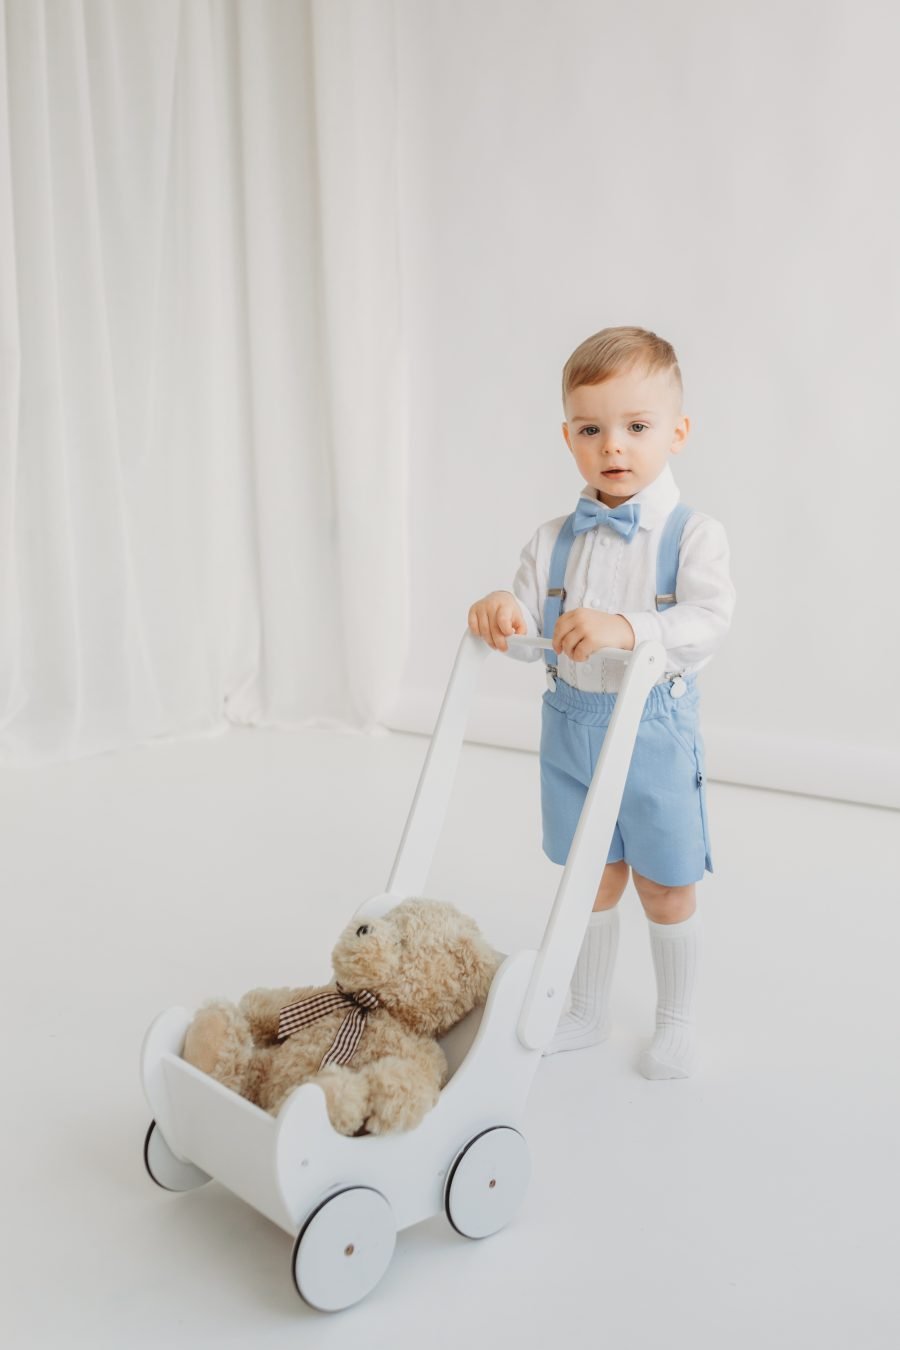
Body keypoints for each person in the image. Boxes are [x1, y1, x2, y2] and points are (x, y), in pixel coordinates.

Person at [467, 326, 735, 1079]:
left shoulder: (692, 536)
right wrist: (503, 616)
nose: (614, 445)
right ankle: (585, 1009)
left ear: (677, 433)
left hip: (651, 730)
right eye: (592, 429)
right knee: (589, 872)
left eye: (637, 427)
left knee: (664, 880)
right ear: (568, 437)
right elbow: (530, 638)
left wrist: (630, 628)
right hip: (571, 729)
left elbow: (708, 622)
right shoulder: (554, 539)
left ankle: (675, 1019)